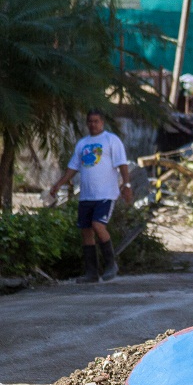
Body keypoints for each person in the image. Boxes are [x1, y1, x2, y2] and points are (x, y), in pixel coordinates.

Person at [50, 110, 131, 283]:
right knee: (86, 232)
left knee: (98, 225)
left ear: (102, 122)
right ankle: (91, 272)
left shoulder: (111, 140)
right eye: (90, 121)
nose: (93, 124)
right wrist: (58, 184)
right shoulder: (82, 144)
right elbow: (72, 168)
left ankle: (111, 265)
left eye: (96, 121)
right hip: (86, 195)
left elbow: (122, 164)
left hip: (105, 194)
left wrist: (127, 184)